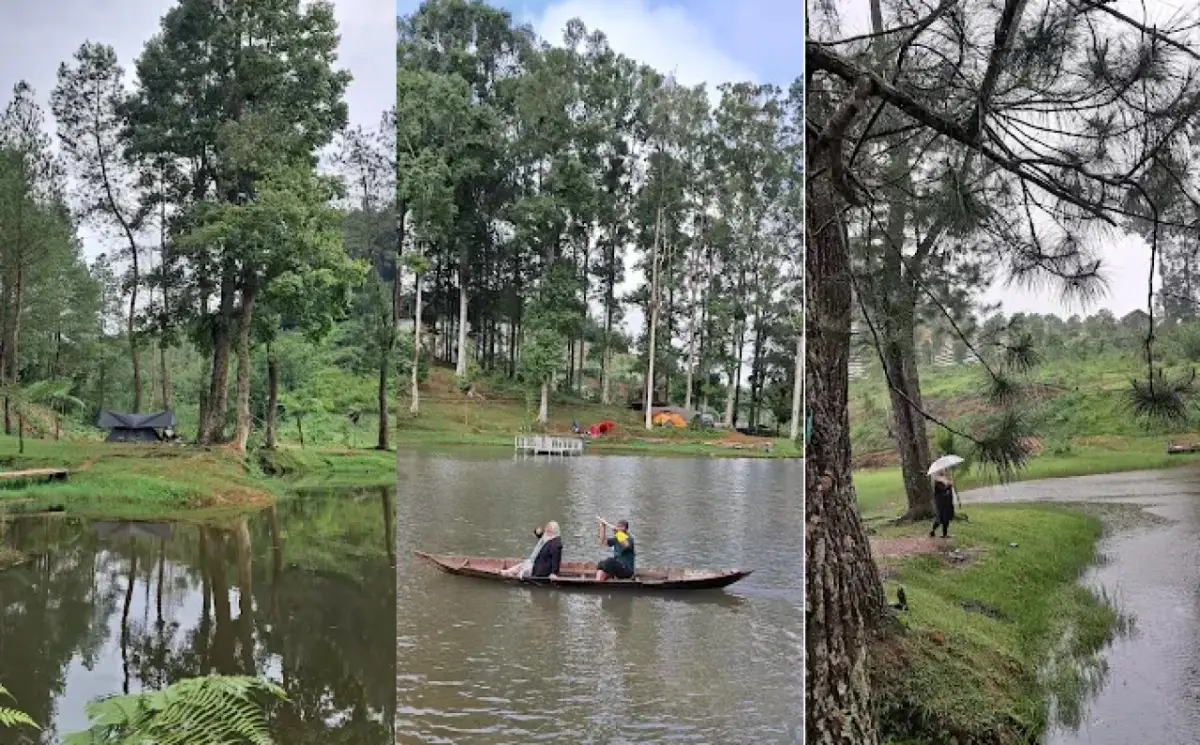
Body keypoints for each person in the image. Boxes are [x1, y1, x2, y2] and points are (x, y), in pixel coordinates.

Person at [930, 472, 956, 538]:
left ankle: (945, 534)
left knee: (946, 519)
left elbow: (948, 491)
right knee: (940, 519)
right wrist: (949, 485)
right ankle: (932, 531)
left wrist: (950, 484)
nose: (944, 472)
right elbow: (943, 490)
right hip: (941, 503)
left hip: (947, 502)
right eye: (942, 471)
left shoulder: (946, 480)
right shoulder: (937, 482)